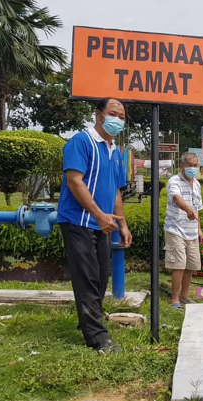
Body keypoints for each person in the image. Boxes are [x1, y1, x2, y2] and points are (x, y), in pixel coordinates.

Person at [57, 98, 132, 354]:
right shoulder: (81, 142)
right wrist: (99, 214)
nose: (118, 120)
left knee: (101, 277)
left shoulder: (115, 151)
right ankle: (98, 339)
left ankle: (88, 321)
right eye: (113, 114)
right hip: (78, 221)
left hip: (103, 225)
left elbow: (116, 192)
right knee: (87, 277)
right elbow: (74, 181)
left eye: (122, 117)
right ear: (99, 114)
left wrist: (122, 224)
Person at [164, 152, 203, 309]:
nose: (193, 168)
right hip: (176, 229)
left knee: (191, 265)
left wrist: (199, 230)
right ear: (182, 165)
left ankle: (185, 296)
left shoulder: (196, 184)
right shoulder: (174, 181)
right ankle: (174, 299)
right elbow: (176, 198)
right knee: (179, 265)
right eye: (190, 165)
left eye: (196, 165)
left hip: (192, 232)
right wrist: (187, 209)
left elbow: (197, 210)